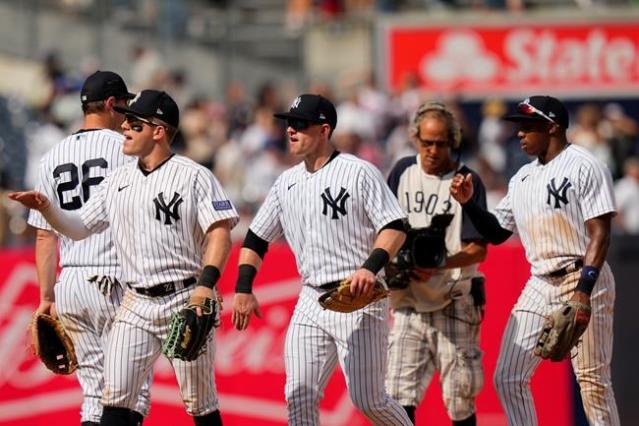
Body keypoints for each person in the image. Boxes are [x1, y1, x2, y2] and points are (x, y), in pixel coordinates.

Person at [11, 90, 239, 426]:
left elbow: (220, 233)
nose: (125, 128)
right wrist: (48, 208)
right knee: (114, 399)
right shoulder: (117, 180)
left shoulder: (194, 176)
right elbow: (77, 228)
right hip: (134, 304)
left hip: (185, 297)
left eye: (134, 123)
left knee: (200, 404)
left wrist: (205, 287)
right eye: (125, 122)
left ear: (158, 131)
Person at [230, 94, 413, 426]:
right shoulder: (286, 182)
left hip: (358, 296)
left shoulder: (358, 172)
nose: (291, 131)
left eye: (300, 125)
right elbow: (256, 238)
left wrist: (370, 267)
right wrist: (243, 287)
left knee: (368, 400)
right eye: (289, 124)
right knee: (298, 393)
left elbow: (395, 226)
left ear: (324, 130)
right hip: (311, 299)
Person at [450, 95, 619, 425]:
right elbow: (497, 232)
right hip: (540, 281)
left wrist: (583, 290)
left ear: (552, 127)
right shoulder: (522, 178)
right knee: (508, 377)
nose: (519, 133)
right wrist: (470, 204)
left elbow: (601, 232)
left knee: (593, 382)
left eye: (527, 126)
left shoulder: (585, 165)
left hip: (582, 276)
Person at [27, 70, 151, 426]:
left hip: (71, 286)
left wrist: (46, 298)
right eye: (126, 107)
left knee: (95, 397)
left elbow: (44, 235)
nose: (129, 117)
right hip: (116, 283)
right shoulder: (126, 149)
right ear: (112, 105)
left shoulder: (51, 156)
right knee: (132, 394)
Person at [385, 102, 488, 425]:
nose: (432, 150)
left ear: (453, 141)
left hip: (453, 297)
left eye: (441, 143)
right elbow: (386, 230)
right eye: (426, 142)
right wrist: (393, 265)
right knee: (397, 397)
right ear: (415, 138)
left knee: (460, 397)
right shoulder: (402, 171)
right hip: (409, 299)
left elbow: (477, 250)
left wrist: (439, 263)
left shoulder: (466, 180)